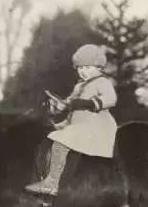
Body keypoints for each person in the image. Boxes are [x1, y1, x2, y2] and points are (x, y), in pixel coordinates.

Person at [25, 44, 118, 196]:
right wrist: (58, 107)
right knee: (50, 137)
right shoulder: (79, 86)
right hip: (78, 126)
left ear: (99, 67)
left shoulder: (102, 82)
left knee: (60, 143)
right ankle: (50, 177)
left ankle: (51, 183)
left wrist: (89, 103)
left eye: (88, 67)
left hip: (96, 126)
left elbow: (110, 99)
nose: (83, 71)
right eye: (80, 68)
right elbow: (70, 107)